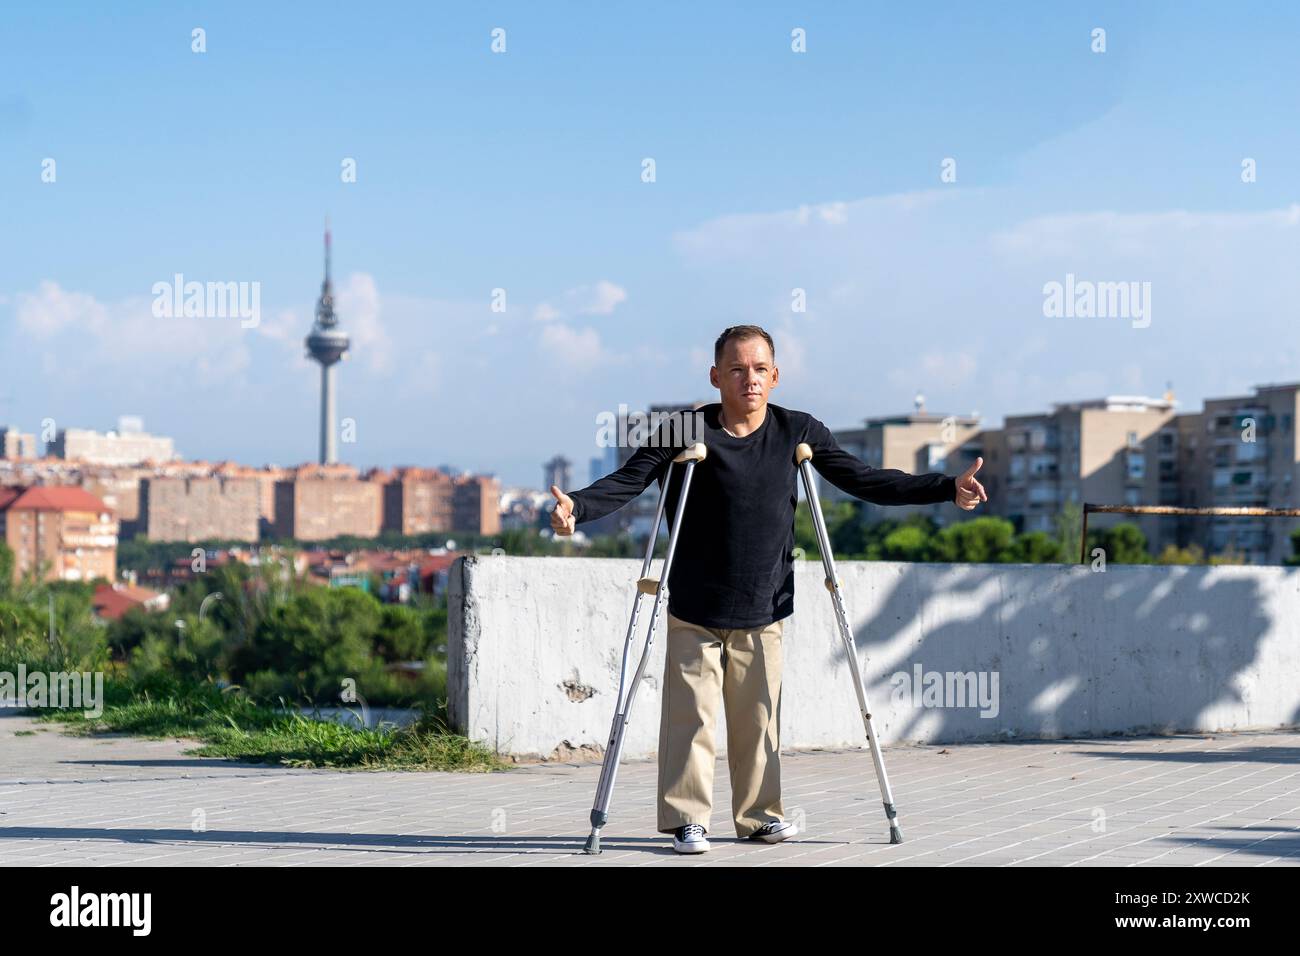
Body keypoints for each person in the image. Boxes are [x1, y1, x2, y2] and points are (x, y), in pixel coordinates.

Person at [550, 325, 987, 853]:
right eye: (736, 369)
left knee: (759, 720)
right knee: (692, 719)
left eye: (759, 369)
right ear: (716, 376)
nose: (748, 379)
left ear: (775, 377)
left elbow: (864, 480)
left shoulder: (797, 431)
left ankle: (759, 817)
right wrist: (576, 506)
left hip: (765, 601)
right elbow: (628, 480)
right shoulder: (681, 432)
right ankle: (689, 820)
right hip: (694, 601)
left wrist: (945, 488)